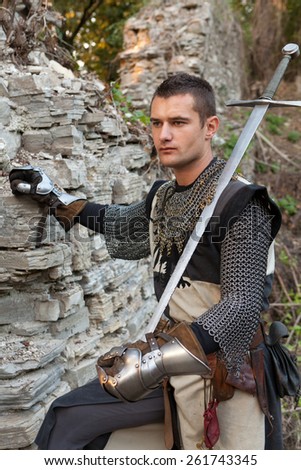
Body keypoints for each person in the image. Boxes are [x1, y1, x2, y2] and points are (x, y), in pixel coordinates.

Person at [9, 72, 283, 450]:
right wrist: (56, 197)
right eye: (157, 123)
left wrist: (156, 359)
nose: (164, 134)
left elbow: (242, 305)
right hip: (169, 361)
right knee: (72, 420)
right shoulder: (163, 197)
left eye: (178, 122)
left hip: (227, 370)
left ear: (210, 127)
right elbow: (119, 223)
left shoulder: (243, 205)